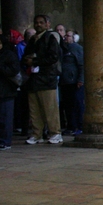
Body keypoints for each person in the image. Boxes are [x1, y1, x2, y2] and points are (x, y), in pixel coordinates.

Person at [22, 14, 63, 144]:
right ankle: (36, 134)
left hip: (47, 78)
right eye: (36, 22)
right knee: (35, 109)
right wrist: (28, 61)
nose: (38, 25)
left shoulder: (51, 37)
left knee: (50, 108)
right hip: (34, 78)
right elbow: (26, 54)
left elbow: (53, 57)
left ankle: (55, 133)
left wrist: (35, 61)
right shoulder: (33, 39)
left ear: (47, 24)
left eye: (41, 22)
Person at [59, 29, 85, 135]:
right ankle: (71, 126)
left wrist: (80, 79)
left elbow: (81, 65)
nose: (65, 38)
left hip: (75, 82)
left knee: (77, 104)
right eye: (65, 36)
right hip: (65, 82)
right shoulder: (63, 49)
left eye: (68, 36)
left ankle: (79, 126)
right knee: (67, 105)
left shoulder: (76, 48)